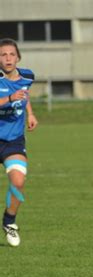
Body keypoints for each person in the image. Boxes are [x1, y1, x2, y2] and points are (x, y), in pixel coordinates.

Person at [0, 38, 38, 247]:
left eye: (11, 54)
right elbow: (14, 97)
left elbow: (25, 95)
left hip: (13, 141)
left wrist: (30, 113)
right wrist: (9, 99)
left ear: (18, 57)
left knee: (18, 181)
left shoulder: (27, 76)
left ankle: (9, 222)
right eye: (3, 54)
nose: (7, 58)